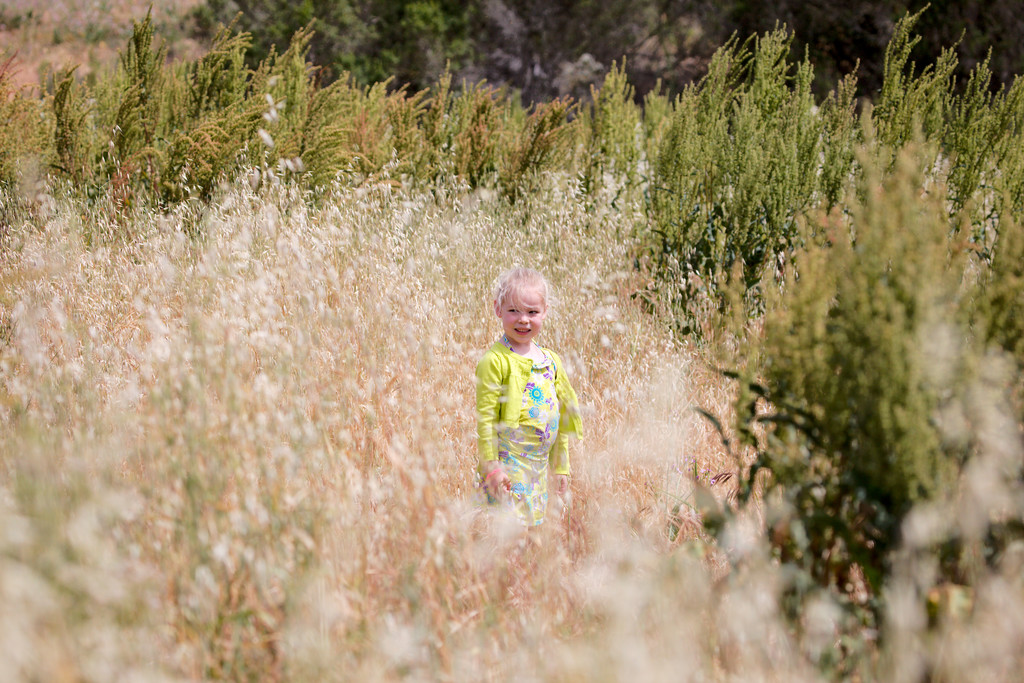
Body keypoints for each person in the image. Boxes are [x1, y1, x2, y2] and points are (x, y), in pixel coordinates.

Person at [475, 267, 583, 526]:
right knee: (508, 538)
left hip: (538, 472)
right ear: (498, 309)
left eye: (532, 312)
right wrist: (492, 468)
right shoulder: (495, 361)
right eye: (514, 310)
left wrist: (560, 467)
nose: (523, 319)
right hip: (509, 469)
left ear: (544, 312)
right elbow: (486, 421)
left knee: (534, 538)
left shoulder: (551, 361)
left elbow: (562, 419)